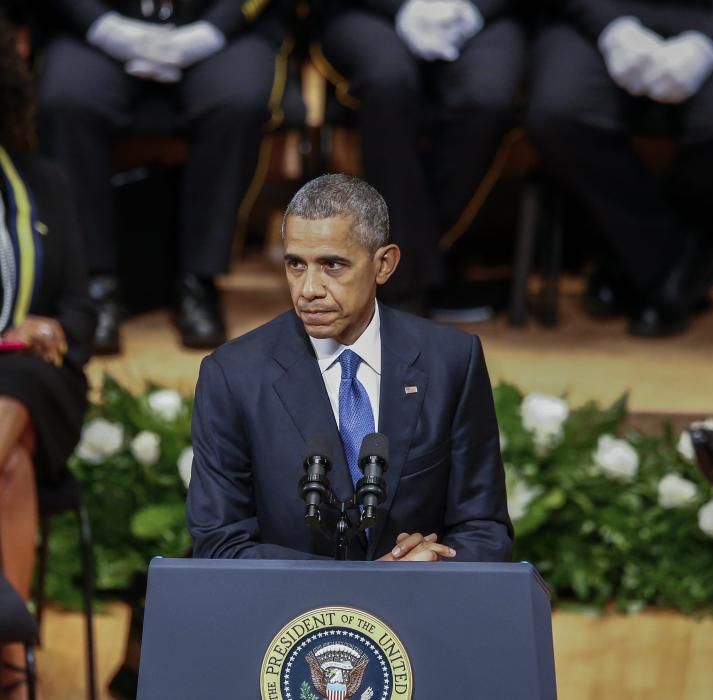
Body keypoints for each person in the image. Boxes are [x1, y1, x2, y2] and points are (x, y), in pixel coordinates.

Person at [186, 173, 512, 562]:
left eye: (332, 265)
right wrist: (363, 586)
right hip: (290, 618)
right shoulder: (233, 375)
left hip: (419, 614)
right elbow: (220, 544)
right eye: (295, 264)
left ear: (384, 265)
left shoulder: (451, 361)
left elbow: (485, 530)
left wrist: (436, 565)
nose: (308, 289)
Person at [38, 0, 295, 354]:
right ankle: (95, 285)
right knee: (66, 99)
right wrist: (104, 29)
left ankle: (199, 280)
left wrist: (211, 31)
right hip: (97, 24)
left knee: (238, 99)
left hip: (220, 25)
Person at [526, 0, 713, 337]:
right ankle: (677, 268)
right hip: (594, 14)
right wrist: (612, 26)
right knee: (559, 112)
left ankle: (627, 263)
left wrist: (710, 39)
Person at [314, 0, 526, 312]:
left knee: (486, 98)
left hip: (484, 15)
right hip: (368, 11)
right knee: (388, 81)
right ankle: (408, 283)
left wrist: (472, 9)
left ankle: (409, 260)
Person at [0, 12, 95, 699]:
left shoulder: (43, 181)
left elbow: (81, 311)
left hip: (35, 380)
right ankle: (10, 658)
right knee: (9, 467)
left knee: (16, 393)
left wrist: (54, 332)